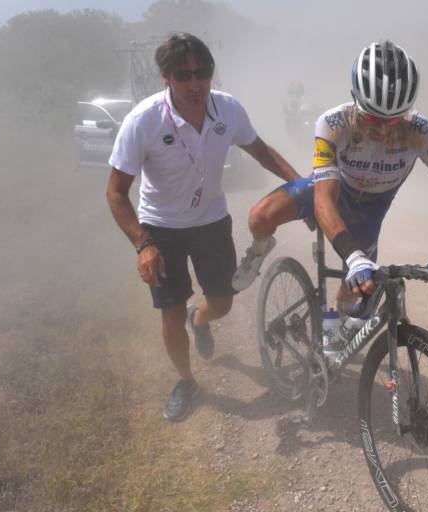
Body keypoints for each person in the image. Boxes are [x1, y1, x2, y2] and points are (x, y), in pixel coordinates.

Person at [106, 33, 301, 422]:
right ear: (166, 77)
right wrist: (143, 244)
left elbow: (261, 152)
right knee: (170, 311)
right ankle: (186, 381)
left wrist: (303, 189)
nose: (196, 83)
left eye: (203, 72)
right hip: (161, 227)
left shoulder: (226, 110)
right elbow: (115, 193)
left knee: (224, 302)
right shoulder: (143, 121)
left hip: (212, 221)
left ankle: (202, 318)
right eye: (184, 75)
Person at [232, 40, 428, 322]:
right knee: (260, 216)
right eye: (372, 117)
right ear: (355, 98)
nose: (382, 127)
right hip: (333, 191)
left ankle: (333, 336)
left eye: (394, 120)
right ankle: (258, 251)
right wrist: (352, 255)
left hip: (371, 208)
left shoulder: (420, 129)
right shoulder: (333, 123)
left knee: (354, 290)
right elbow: (323, 198)